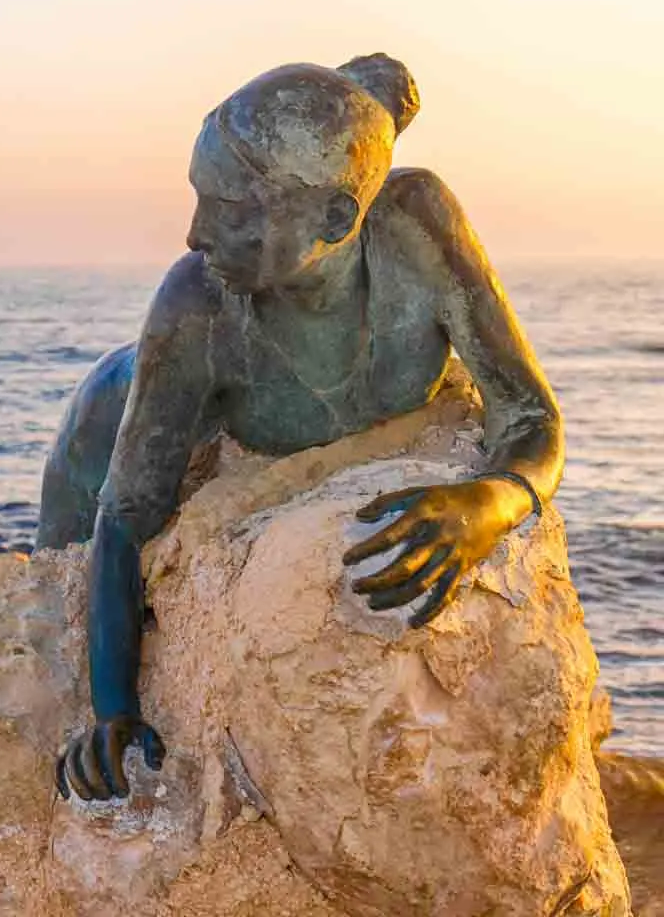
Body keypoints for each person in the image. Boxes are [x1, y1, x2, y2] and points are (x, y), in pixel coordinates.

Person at [44, 53, 562, 803]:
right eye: (199, 198)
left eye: (231, 209)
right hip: (111, 406)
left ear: (335, 217)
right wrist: (112, 709)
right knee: (47, 590)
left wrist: (490, 503)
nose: (193, 232)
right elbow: (122, 519)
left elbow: (532, 414)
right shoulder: (196, 306)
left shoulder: (416, 226)